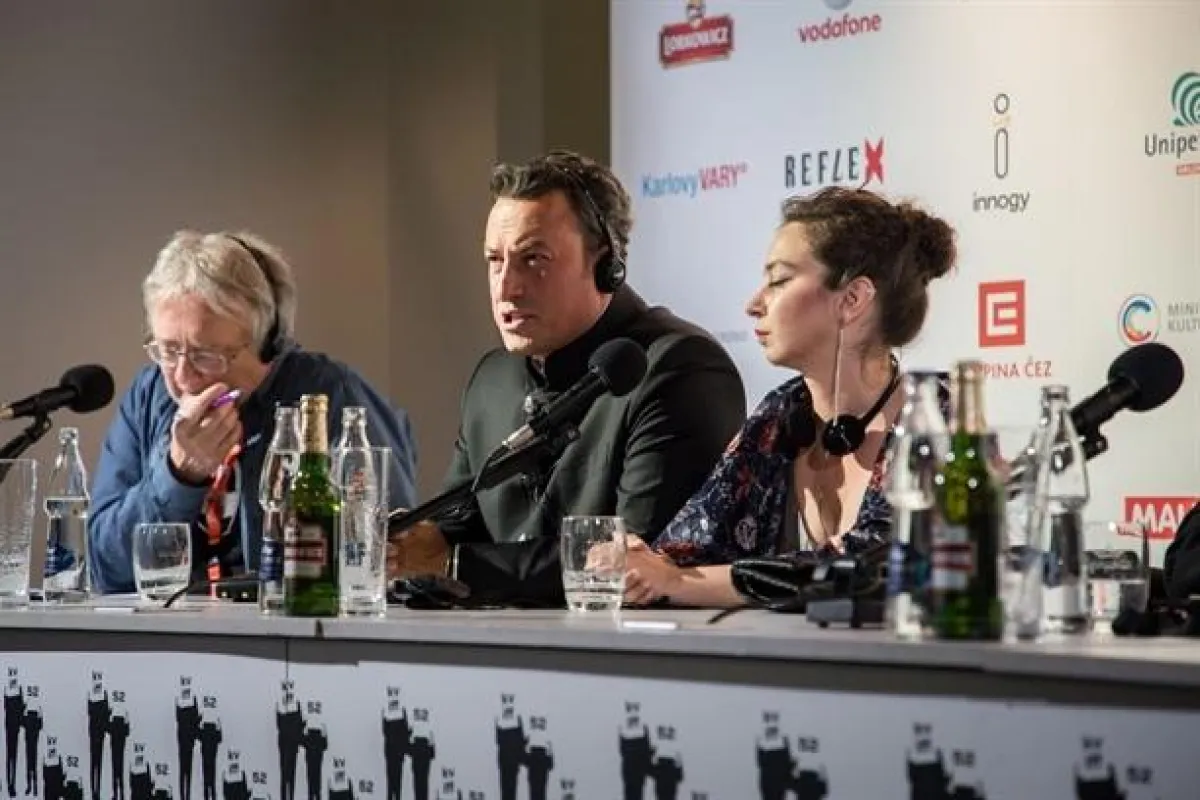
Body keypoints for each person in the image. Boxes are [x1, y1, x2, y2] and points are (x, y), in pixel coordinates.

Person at [387, 150, 746, 605]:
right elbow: (459, 522)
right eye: (495, 260)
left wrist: (451, 564)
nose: (506, 288)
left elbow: (635, 562)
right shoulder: (492, 379)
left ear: (605, 266)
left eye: (534, 259)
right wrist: (407, 545)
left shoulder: (682, 369)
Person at [621, 187, 957, 607]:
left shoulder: (936, 419)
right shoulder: (779, 416)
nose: (754, 304)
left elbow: (878, 568)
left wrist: (678, 582)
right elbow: (688, 547)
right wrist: (637, 564)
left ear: (852, 299)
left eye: (779, 280)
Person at [88, 230, 418, 594]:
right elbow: (106, 571)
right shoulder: (148, 395)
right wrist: (178, 476)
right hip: (170, 624)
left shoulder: (333, 396)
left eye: (206, 355)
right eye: (168, 351)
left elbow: (388, 556)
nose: (182, 377)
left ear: (267, 344)